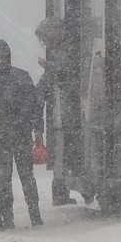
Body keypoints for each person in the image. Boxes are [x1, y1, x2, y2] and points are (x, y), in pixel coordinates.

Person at [0, 39, 43, 228]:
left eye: (2, 57)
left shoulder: (19, 77)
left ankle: (34, 215)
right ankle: (8, 218)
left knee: (25, 178)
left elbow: (34, 105)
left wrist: (38, 129)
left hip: (17, 136)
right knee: (5, 180)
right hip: (4, 138)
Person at [35, 17, 76, 206]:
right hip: (64, 112)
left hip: (67, 111)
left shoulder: (66, 50)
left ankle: (60, 191)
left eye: (44, 38)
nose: (43, 43)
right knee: (62, 152)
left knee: (63, 151)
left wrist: (48, 68)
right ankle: (60, 192)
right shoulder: (62, 48)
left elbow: (65, 72)